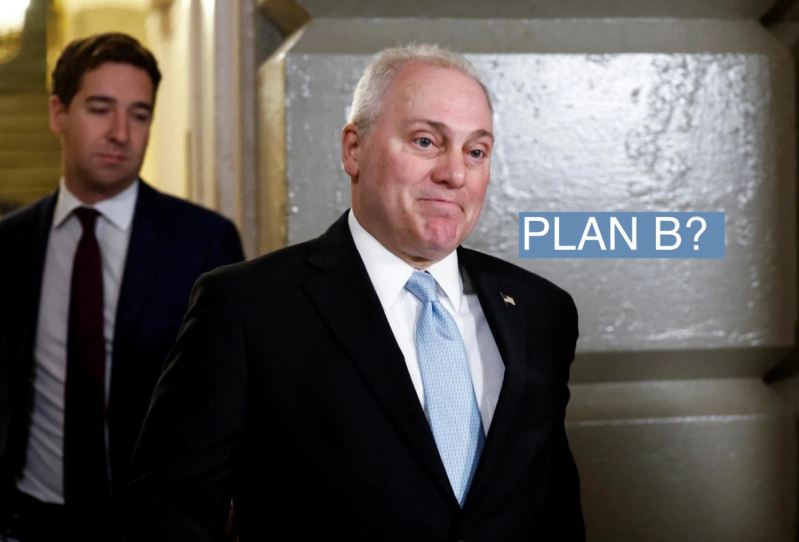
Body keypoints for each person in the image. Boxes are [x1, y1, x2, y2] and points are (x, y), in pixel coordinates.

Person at [122, 44, 584, 541]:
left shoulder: (542, 311)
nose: (455, 173)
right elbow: (167, 517)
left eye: (476, 151)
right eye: (426, 141)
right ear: (354, 149)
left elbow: (554, 511)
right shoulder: (247, 309)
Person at [0, 33, 244, 541]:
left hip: (155, 526)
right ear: (56, 113)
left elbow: (230, 400)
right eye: (99, 108)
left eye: (139, 113)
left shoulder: (204, 241)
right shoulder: (11, 243)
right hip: (29, 519)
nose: (120, 132)